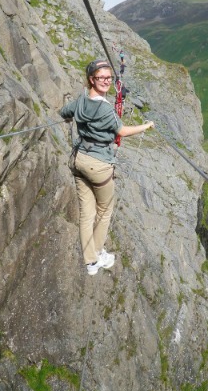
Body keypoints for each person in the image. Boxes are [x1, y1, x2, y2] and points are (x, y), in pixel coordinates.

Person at [59, 59, 154, 275]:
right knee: (104, 211)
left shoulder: (82, 101)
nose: (106, 81)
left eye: (109, 78)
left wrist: (68, 120)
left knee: (86, 214)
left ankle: (90, 262)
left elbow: (65, 112)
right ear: (92, 79)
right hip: (98, 164)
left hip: (78, 159)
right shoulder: (104, 109)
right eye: (101, 78)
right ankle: (97, 253)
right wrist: (146, 126)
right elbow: (122, 132)